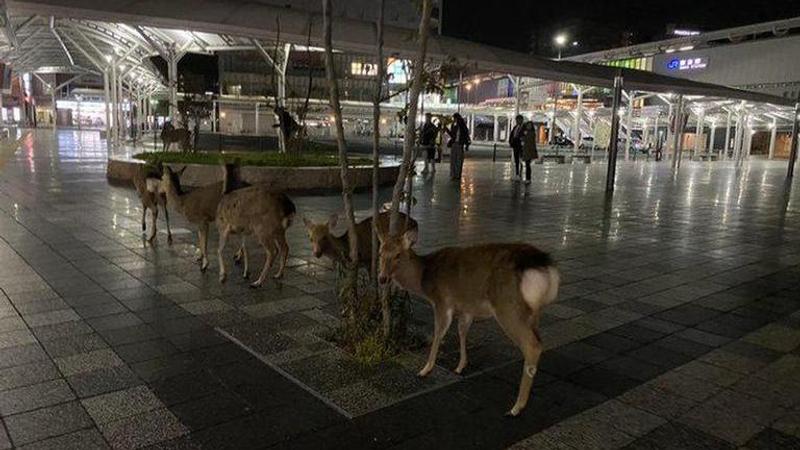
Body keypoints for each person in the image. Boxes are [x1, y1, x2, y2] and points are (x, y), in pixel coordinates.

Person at [446, 113, 470, 180]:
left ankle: (457, 175)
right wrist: (446, 129)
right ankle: (453, 174)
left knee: (459, 160)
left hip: (460, 144)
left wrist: (467, 145)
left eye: (455, 118)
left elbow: (466, 136)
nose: (454, 120)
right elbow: (452, 135)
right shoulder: (454, 126)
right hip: (454, 144)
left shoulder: (463, 127)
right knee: (453, 160)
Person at [521, 121, 538, 185]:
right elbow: (523, 139)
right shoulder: (526, 132)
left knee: (528, 165)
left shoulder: (532, 133)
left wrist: (524, 135)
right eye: (528, 125)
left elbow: (529, 141)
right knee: (527, 164)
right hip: (526, 150)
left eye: (530, 125)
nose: (529, 126)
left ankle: (528, 179)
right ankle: (527, 178)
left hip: (529, 150)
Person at [509, 114, 525, 181]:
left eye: (518, 120)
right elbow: (512, 135)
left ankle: (519, 174)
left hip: (521, 146)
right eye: (516, 120)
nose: (517, 121)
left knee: (520, 160)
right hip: (515, 146)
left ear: (521, 120)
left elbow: (525, 136)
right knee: (516, 160)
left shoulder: (524, 128)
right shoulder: (515, 127)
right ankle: (517, 174)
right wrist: (511, 142)